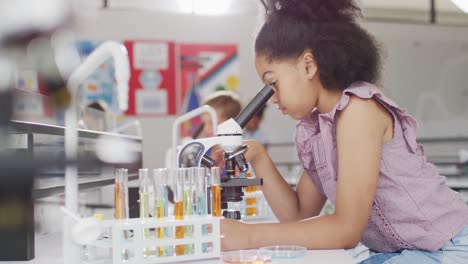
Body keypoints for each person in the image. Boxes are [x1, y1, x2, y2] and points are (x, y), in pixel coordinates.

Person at [220, 1, 468, 263]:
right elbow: (299, 215)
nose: (272, 98)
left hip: (447, 248)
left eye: (273, 83)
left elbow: (346, 230)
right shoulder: (320, 129)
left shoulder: (359, 110)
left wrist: (249, 236)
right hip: (401, 253)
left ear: (308, 65)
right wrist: (258, 156)